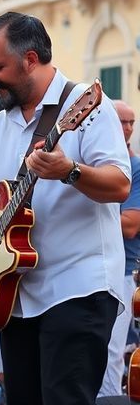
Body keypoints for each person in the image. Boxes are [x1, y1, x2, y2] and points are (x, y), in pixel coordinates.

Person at [0, 12, 130, 404]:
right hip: (15, 293)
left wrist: (70, 171)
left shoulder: (89, 109)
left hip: (78, 287)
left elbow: (119, 184)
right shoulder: (0, 125)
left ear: (30, 59)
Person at [99, 100, 140, 397]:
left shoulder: (136, 167)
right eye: (121, 121)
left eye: (131, 123)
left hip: (122, 270)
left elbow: (130, 225)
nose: (126, 128)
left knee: (110, 353)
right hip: (91, 269)